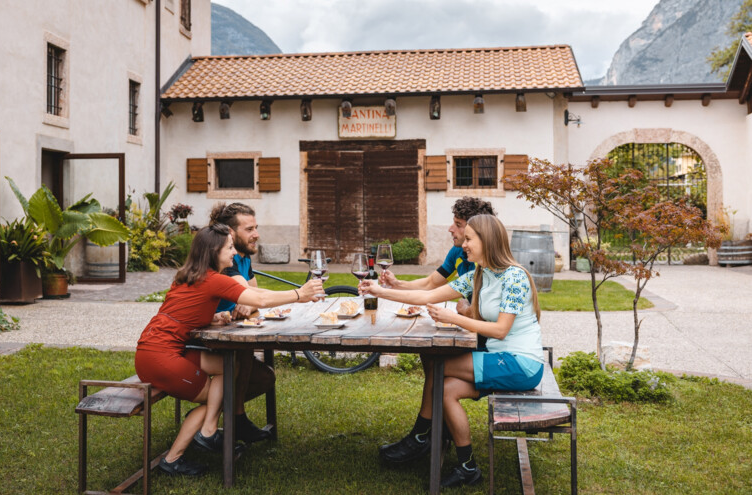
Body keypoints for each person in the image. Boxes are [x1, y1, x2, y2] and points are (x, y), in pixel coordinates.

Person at [360, 214, 545, 487]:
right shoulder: (479, 275)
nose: (464, 245)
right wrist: (379, 290)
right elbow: (427, 296)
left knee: (438, 366)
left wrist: (454, 318)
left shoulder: (514, 277)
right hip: (499, 359)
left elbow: (500, 330)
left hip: (521, 364)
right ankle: (468, 467)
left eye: (469, 239)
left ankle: (420, 436)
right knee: (446, 390)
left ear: (488, 241)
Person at [135, 224, 324, 477]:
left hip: (156, 349)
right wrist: (299, 293)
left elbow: (180, 314)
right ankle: (176, 456)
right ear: (214, 251)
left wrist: (212, 319)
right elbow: (260, 300)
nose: (234, 253)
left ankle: (208, 430)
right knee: (217, 398)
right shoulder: (214, 280)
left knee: (228, 366)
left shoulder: (188, 276)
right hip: (160, 357)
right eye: (230, 247)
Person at [375, 196, 497, 464]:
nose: (451, 230)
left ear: (476, 230)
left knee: (435, 359)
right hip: (473, 335)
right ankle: (429, 433)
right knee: (431, 355)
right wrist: (397, 284)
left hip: (490, 346)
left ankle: (423, 435)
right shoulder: (457, 254)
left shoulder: (488, 264)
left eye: (458, 224)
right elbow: (432, 283)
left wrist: (464, 311)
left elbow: (485, 314)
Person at [208, 202, 276, 443]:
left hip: (231, 336)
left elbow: (253, 299)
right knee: (249, 363)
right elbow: (254, 297)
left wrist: (250, 301)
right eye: (249, 229)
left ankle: (229, 417)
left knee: (266, 375)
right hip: (208, 341)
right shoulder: (225, 261)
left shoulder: (243, 258)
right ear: (231, 233)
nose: (256, 234)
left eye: (256, 227)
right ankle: (225, 418)